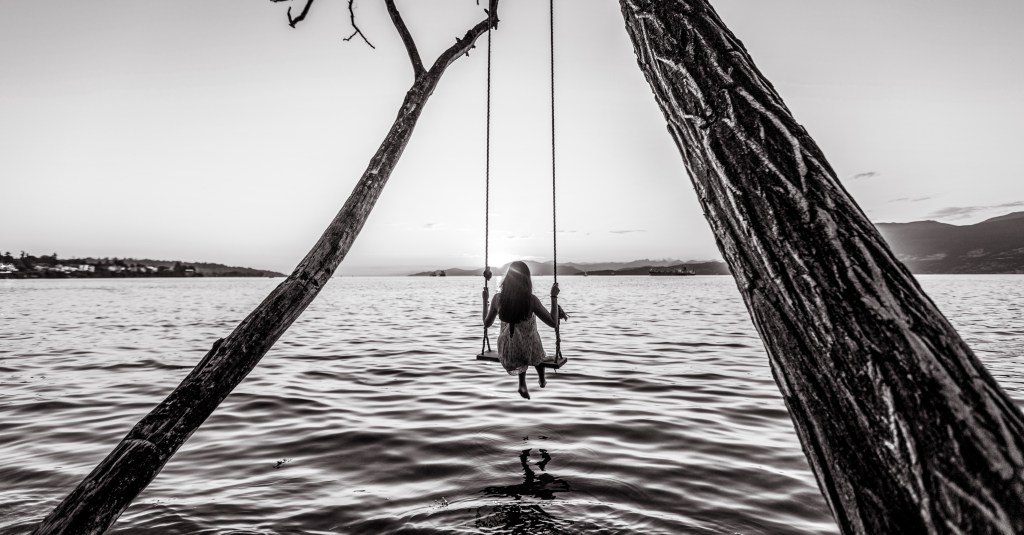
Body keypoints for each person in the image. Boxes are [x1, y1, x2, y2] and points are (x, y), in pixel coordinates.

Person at [482, 261, 568, 399]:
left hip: (507, 353)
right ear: (527, 280)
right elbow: (553, 323)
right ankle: (542, 379)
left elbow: (486, 324)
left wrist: (485, 300)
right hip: (530, 351)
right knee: (532, 341)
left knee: (517, 336)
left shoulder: (498, 299)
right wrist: (553, 297)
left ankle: (522, 384)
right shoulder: (531, 301)